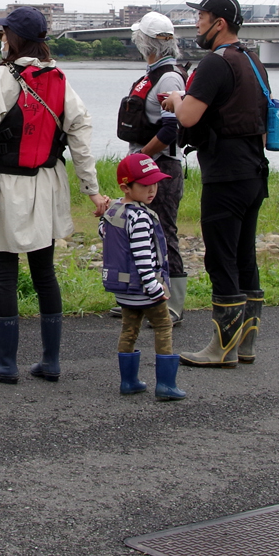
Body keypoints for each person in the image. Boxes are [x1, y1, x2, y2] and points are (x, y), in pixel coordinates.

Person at [0, 6, 107, 384]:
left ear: (13, 37)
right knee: (44, 273)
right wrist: (92, 189)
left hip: (5, 185)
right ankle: (50, 361)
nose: (0, 38)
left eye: (2, 33)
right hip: (46, 185)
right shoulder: (59, 80)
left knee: (5, 274)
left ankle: (6, 364)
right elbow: (81, 137)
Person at [160, 0, 271, 369]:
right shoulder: (253, 61)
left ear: (219, 23)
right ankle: (246, 344)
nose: (197, 25)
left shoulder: (214, 63)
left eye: (202, 18)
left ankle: (220, 349)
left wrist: (176, 98)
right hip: (255, 171)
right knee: (244, 257)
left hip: (225, 173)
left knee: (221, 259)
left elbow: (189, 117)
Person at [113, 10, 189, 325]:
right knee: (139, 233)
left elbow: (171, 130)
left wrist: (140, 160)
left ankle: (173, 305)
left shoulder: (168, 77)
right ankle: (140, 299)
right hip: (147, 166)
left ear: (145, 42)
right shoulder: (151, 73)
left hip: (162, 168)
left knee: (163, 231)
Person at [100, 152, 185, 400]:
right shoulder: (139, 217)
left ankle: (129, 381)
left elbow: (105, 234)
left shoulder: (115, 211)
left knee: (129, 330)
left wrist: (102, 214)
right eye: (145, 185)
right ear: (126, 187)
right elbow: (142, 255)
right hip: (145, 288)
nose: (152, 190)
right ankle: (166, 385)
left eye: (155, 184)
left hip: (124, 290)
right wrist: (153, 286)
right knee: (163, 326)